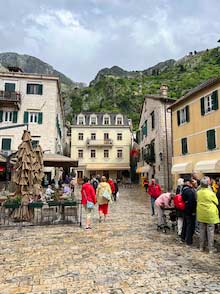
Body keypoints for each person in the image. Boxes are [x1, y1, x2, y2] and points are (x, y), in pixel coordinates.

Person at [197, 176, 219, 253]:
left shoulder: (198, 192)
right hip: (210, 214)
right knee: (210, 231)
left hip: (201, 213)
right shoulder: (210, 193)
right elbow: (216, 202)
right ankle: (210, 248)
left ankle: (201, 247)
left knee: (202, 230)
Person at [181, 177, 197, 246]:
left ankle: (183, 237)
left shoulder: (183, 189)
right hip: (190, 211)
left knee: (185, 224)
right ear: (188, 183)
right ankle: (189, 241)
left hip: (186, 209)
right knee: (189, 226)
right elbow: (192, 202)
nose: (192, 184)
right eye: (191, 182)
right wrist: (193, 211)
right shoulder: (189, 191)